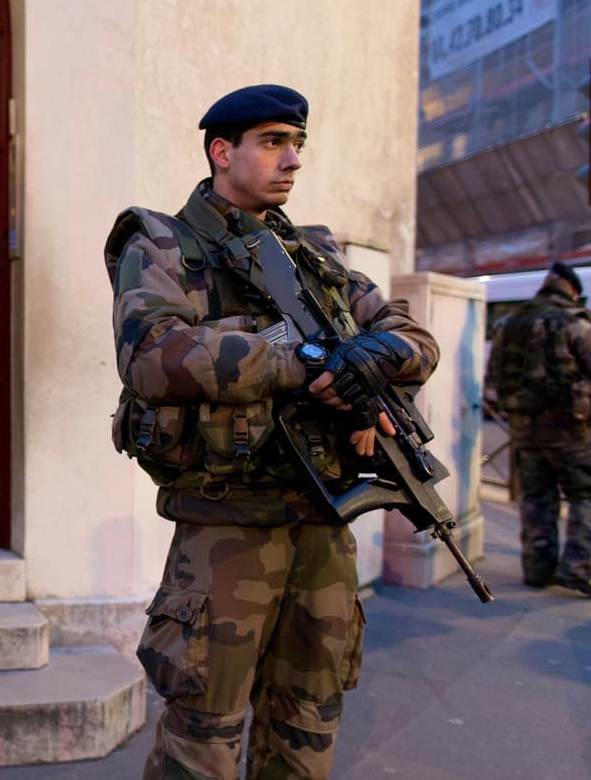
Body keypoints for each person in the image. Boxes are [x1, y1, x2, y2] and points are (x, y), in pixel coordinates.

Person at [104, 84, 440, 779]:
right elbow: (152, 356)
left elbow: (412, 337)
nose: (292, 160)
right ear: (222, 152)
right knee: (203, 737)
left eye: (298, 145)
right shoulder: (163, 242)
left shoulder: (314, 255)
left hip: (323, 527)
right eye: (273, 141)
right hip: (227, 535)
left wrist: (372, 358)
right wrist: (300, 359)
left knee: (307, 725)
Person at [486, 261, 591, 601]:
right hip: (570, 429)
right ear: (572, 290)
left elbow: (495, 377)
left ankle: (538, 568)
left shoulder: (507, 324)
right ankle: (577, 569)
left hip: (523, 428)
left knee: (536, 497)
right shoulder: (573, 324)